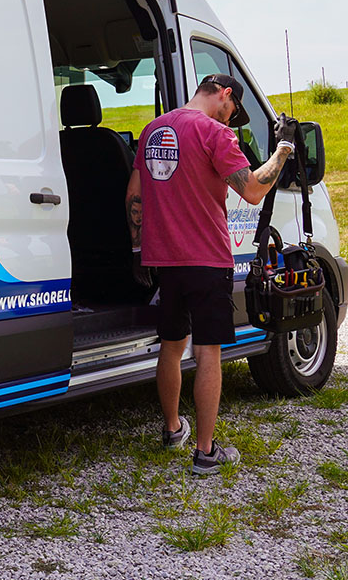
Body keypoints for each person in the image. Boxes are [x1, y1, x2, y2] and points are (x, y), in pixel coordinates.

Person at [125, 73, 296, 475]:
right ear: (224, 94)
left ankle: (172, 430)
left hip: (165, 261)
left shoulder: (153, 130)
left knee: (170, 344)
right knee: (207, 353)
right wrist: (284, 148)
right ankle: (205, 451)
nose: (230, 118)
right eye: (232, 110)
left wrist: (138, 248)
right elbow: (253, 190)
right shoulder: (214, 134)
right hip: (206, 260)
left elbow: (134, 194)